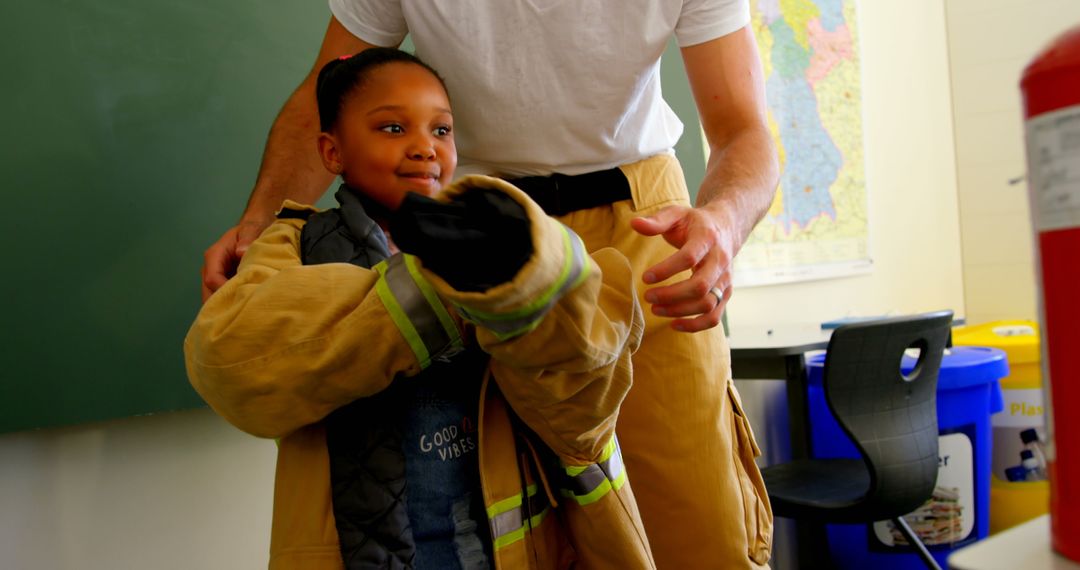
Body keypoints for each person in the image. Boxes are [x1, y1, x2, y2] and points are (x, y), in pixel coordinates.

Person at [201, 2, 780, 567]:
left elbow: (744, 129)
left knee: (697, 525)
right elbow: (325, 99)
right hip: (477, 235)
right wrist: (258, 224)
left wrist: (723, 226)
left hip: (643, 229)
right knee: (508, 517)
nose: (419, 139)